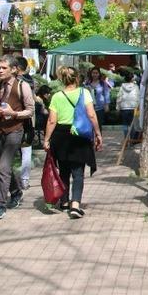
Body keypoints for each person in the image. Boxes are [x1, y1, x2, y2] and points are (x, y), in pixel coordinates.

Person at [44, 66, 103, 219]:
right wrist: (97, 133)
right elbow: (91, 115)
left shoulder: (57, 96)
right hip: (79, 135)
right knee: (78, 172)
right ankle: (75, 205)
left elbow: (52, 120)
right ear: (77, 78)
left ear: (62, 79)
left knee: (63, 170)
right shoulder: (85, 93)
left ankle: (64, 202)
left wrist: (46, 139)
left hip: (61, 136)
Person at [0, 56, 34, 220]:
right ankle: (16, 192)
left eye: (3, 68)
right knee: (3, 167)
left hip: (15, 131)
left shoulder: (23, 86)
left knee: (3, 168)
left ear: (13, 69)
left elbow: (30, 110)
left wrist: (14, 113)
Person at [15, 56, 36, 190]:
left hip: (17, 118)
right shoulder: (31, 80)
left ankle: (17, 180)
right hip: (30, 119)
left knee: (19, 150)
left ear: (16, 68)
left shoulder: (18, 82)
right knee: (26, 150)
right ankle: (25, 179)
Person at [116, 72, 140, 139]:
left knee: (125, 124)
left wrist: (117, 107)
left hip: (124, 108)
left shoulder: (122, 87)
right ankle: (132, 140)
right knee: (133, 125)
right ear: (132, 78)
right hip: (134, 107)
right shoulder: (136, 87)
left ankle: (126, 139)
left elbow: (119, 97)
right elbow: (138, 97)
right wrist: (139, 107)